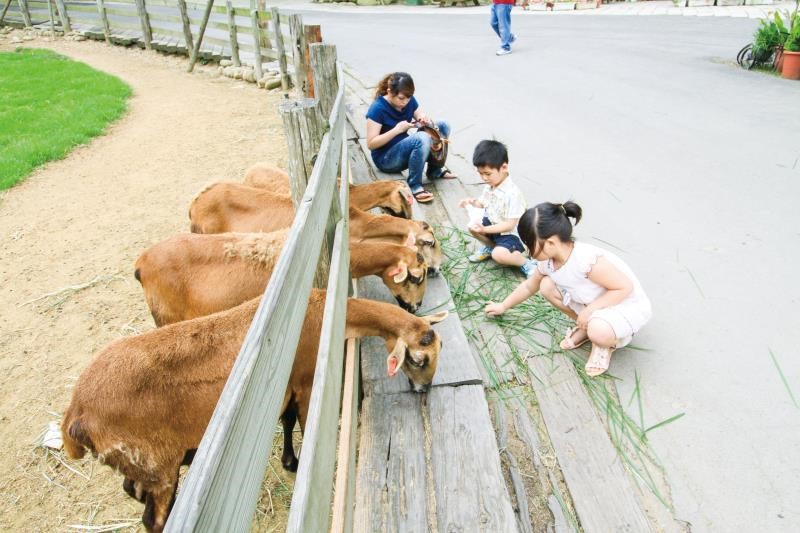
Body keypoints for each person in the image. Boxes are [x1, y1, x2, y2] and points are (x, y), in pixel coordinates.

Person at [484, 201, 652, 377]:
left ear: (550, 243)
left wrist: (591, 311)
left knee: (599, 331)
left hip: (620, 304)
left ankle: (606, 343)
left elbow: (624, 288)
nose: (527, 250)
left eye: (529, 244)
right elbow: (529, 286)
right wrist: (503, 305)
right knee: (546, 285)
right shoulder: (548, 262)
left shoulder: (586, 260)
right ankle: (588, 327)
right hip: (591, 300)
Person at [365, 72, 456, 204]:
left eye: (408, 98)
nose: (405, 102)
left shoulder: (408, 100)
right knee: (422, 138)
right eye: (401, 98)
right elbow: (371, 144)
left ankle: (434, 171)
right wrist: (397, 130)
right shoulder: (377, 109)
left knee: (442, 125)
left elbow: (420, 114)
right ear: (390, 92)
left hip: (405, 149)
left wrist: (424, 120)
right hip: (386, 159)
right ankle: (415, 185)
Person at [458, 140, 536, 278]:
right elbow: (483, 202)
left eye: (487, 173)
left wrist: (485, 230)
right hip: (494, 223)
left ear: (504, 167)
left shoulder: (513, 194)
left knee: (498, 255)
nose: (484, 177)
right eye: (480, 173)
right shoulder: (491, 184)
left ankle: (525, 262)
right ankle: (492, 247)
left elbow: (509, 225)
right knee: (472, 226)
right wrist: (472, 202)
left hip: (512, 234)